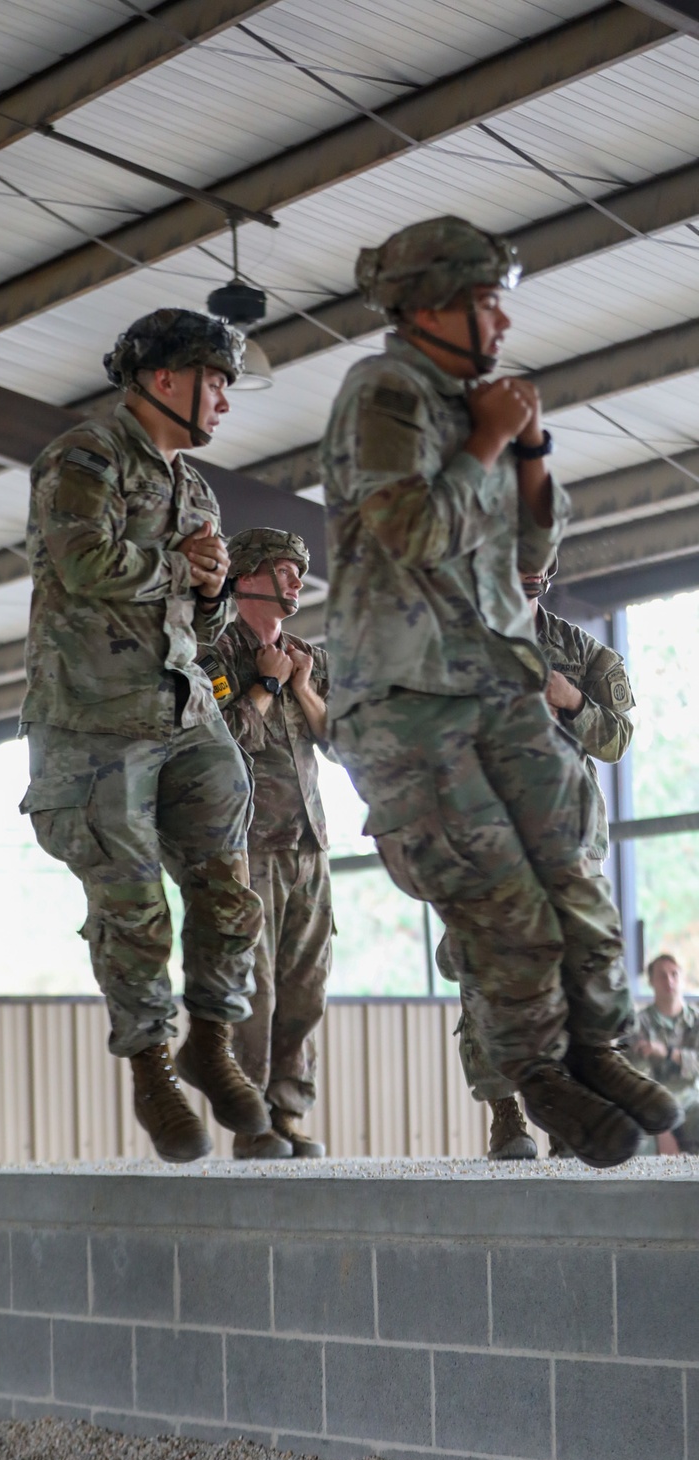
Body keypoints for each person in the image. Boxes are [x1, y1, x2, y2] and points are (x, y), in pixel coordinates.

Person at [320, 214, 680, 1168]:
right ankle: (537, 1078)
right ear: (430, 304)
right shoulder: (383, 393)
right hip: (403, 693)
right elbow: (408, 531)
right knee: (505, 908)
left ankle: (595, 1047)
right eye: (486, 303)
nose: (502, 324)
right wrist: (486, 438)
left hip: (495, 681)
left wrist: (529, 456)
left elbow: (527, 554)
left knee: (575, 872)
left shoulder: (480, 406)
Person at [19, 308, 268, 1164]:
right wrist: (179, 564)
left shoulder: (195, 487)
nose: (226, 402)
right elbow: (84, 564)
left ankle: (210, 1036)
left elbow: (204, 613)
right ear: (165, 379)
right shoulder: (84, 457)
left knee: (229, 885)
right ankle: (153, 1063)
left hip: (182, 711)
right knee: (131, 906)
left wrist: (210, 589)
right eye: (217, 381)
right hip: (92, 722)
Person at [448, 550, 637, 1158]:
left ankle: (567, 1112)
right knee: (488, 975)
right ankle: (506, 1112)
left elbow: (618, 740)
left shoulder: (585, 653)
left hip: (569, 843)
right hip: (488, 840)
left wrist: (572, 700)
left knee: (575, 979)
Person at [198, 528, 332, 1159]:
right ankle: (251, 1115)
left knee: (308, 983)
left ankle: (288, 1108)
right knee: (258, 987)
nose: (296, 584)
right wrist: (267, 685)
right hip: (249, 845)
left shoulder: (311, 656)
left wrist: (301, 686)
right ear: (248, 575)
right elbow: (217, 743)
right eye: (285, 571)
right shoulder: (216, 655)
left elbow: (341, 741)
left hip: (309, 841)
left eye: (298, 573)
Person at [628, 954, 699, 1153]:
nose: (669, 981)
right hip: (648, 1105)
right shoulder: (636, 1024)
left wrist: (667, 1053)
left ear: (682, 978)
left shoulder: (696, 1021)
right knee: (635, 1141)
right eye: (662, 975)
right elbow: (632, 1077)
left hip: (690, 1101)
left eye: (674, 974)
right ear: (651, 981)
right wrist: (661, 1128)